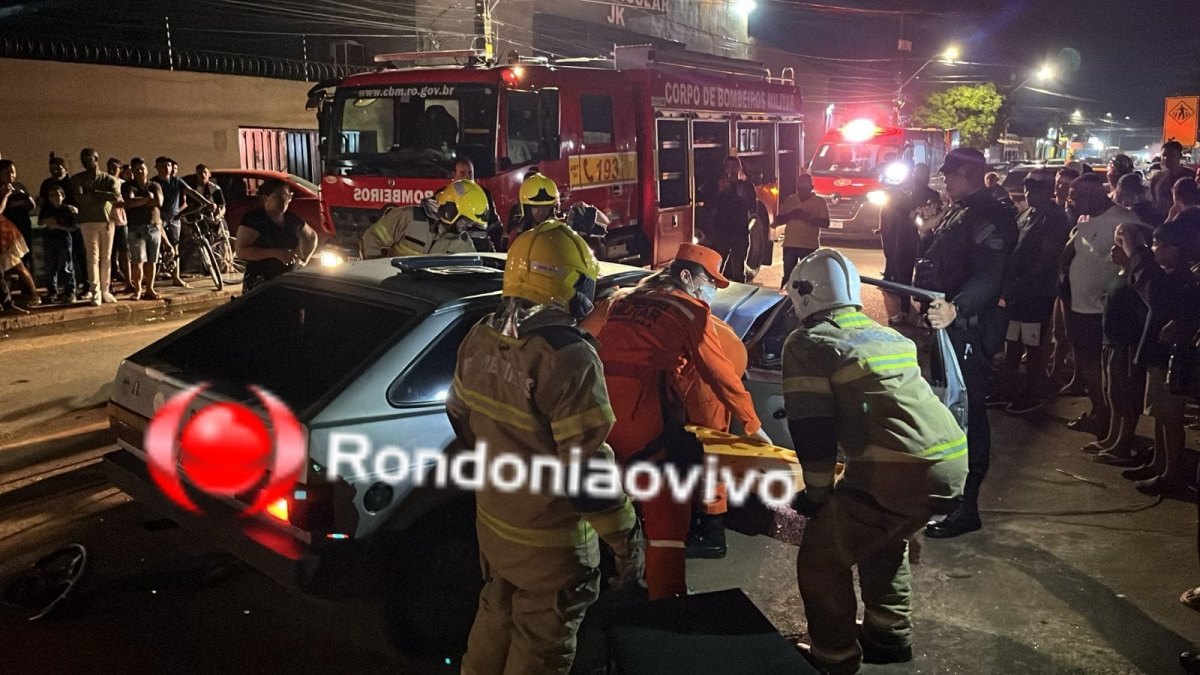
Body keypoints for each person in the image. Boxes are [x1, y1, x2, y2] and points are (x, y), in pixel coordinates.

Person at [446, 219, 644, 675]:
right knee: (540, 649)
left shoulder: (480, 337)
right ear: (571, 284)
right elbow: (586, 472)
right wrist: (626, 539)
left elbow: (459, 417)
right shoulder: (569, 356)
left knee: (495, 618)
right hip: (552, 547)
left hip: (495, 527)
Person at [784, 249, 967, 675]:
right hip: (950, 461)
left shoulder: (809, 343)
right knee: (884, 536)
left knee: (823, 555)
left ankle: (834, 656)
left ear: (802, 294)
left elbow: (812, 429)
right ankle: (888, 635)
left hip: (899, 471)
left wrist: (817, 494)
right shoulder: (889, 336)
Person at [596, 242, 771, 599]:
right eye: (710, 282)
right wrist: (753, 425)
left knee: (610, 509)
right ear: (687, 277)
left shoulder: (621, 301)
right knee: (667, 522)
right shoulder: (691, 312)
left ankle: (620, 584)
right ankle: (668, 603)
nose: (711, 291)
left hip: (600, 419)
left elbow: (583, 341)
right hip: (647, 424)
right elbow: (720, 374)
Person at [918, 147, 1017, 539]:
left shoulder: (990, 215)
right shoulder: (961, 209)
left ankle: (967, 505)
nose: (945, 180)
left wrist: (957, 308)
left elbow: (989, 276)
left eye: (951, 174)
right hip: (947, 325)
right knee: (948, 410)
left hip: (968, 328)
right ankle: (952, 492)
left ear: (969, 174)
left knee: (968, 414)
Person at [1117, 214, 1200, 494]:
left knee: (1170, 418)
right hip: (1158, 355)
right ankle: (1159, 463)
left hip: (1170, 357)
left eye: (1157, 245)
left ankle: (1171, 473)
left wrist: (1137, 253)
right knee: (1159, 414)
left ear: (1174, 248)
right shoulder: (1172, 274)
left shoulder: (1183, 278)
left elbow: (1156, 297)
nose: (1154, 250)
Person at [1061, 173, 1146, 437]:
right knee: (1087, 361)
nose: (1071, 202)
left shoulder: (1124, 220)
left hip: (1105, 308)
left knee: (1109, 370)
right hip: (1080, 305)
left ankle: (1113, 422)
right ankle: (1099, 410)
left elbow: (1136, 261)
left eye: (1076, 197)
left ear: (1094, 194)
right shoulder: (1085, 219)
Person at [989, 170, 1073, 414]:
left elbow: (1047, 259)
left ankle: (1031, 393)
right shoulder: (1028, 213)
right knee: (1013, 340)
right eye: (1027, 189)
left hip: (1036, 293)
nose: (1028, 193)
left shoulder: (1053, 217)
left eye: (1034, 189)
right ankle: (1007, 388)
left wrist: (1021, 281)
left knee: (1033, 344)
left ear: (1047, 191)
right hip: (1017, 291)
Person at [1084, 224, 1149, 466]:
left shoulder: (1136, 277)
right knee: (1112, 393)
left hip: (1125, 345)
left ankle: (1123, 443)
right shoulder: (1121, 274)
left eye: (1119, 244)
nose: (1113, 249)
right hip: (1111, 343)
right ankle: (1112, 437)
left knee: (1126, 396)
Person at [880, 163, 940, 324]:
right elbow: (891, 217)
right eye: (917, 173)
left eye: (923, 173)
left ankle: (923, 311)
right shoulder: (903, 195)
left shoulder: (933, 195)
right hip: (904, 241)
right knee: (903, 277)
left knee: (924, 278)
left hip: (925, 242)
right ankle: (904, 309)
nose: (920, 176)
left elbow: (932, 218)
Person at [234, 178, 318, 292]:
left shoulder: (292, 219)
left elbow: (312, 236)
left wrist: (304, 261)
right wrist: (276, 253)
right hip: (261, 282)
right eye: (278, 197)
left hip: (288, 281)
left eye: (288, 197)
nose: (284, 201)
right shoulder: (255, 219)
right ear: (265, 198)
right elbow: (241, 250)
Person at [70, 148, 120, 306]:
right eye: (83, 159)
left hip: (106, 221)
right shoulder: (77, 179)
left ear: (96, 159)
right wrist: (101, 195)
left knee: (106, 257)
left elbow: (115, 196)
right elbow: (80, 199)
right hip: (87, 221)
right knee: (92, 257)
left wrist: (93, 192)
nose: (85, 162)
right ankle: (95, 292)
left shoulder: (109, 179)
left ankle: (105, 290)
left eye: (89, 159)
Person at [1048, 167, 1083, 391]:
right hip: (1058, 275)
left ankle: (1078, 378)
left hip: (1071, 276)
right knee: (1059, 330)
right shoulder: (1054, 208)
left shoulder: (1075, 213)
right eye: (1058, 182)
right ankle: (1055, 370)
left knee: (1071, 331)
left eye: (1065, 184)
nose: (1059, 186)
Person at [698, 156, 757, 283]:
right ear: (724, 169)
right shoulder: (717, 185)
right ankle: (715, 290)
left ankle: (739, 291)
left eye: (735, 167)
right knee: (716, 269)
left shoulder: (747, 186)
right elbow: (708, 206)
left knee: (738, 270)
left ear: (740, 168)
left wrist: (743, 197)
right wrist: (719, 191)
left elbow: (753, 209)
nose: (732, 170)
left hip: (740, 233)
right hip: (721, 232)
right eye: (729, 167)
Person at [122, 158, 165, 300]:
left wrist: (140, 200)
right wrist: (147, 199)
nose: (140, 171)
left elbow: (159, 202)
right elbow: (129, 203)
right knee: (137, 261)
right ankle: (138, 290)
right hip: (135, 228)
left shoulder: (155, 185)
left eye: (142, 168)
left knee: (152, 260)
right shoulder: (128, 186)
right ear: (133, 172)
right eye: (136, 169)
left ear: (147, 170)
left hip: (154, 227)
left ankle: (150, 289)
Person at [777, 173, 830, 288]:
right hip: (790, 244)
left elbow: (826, 223)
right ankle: (785, 297)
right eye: (800, 185)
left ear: (811, 187)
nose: (802, 188)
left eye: (805, 186)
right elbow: (779, 220)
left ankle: (806, 298)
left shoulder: (819, 202)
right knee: (788, 277)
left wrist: (808, 218)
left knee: (808, 278)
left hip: (809, 246)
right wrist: (792, 215)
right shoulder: (791, 200)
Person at [0, 180, 40, 312]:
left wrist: (6, 195)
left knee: (18, 264)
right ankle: (6, 301)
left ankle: (34, 294)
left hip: (4, 233)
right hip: (4, 231)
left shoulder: (10, 188)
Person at [151, 156, 189, 288]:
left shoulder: (177, 181)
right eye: (163, 166)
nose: (166, 168)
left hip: (174, 219)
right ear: (156, 168)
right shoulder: (153, 183)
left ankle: (176, 277)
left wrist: (206, 203)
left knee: (175, 246)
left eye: (168, 165)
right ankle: (151, 279)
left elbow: (191, 192)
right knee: (156, 246)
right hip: (159, 218)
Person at [37, 185, 78, 304]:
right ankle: (52, 291)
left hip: (63, 238)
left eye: (57, 195)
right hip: (49, 238)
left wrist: (57, 225)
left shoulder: (67, 210)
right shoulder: (46, 209)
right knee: (50, 266)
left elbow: (74, 227)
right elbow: (40, 221)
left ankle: (70, 291)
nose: (55, 197)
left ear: (63, 196)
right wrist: (47, 222)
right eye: (51, 195)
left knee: (66, 265)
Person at [453, 157, 503, 249]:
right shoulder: (447, 196)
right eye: (462, 173)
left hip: (480, 250)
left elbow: (494, 227)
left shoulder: (484, 195)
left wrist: (497, 250)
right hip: (454, 251)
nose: (467, 177)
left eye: (470, 173)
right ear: (454, 175)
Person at [0, 160, 35, 269]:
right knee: (13, 258)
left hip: (24, 224)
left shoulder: (19, 186)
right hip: (9, 228)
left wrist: (25, 201)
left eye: (13, 172)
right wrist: (7, 196)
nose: (10, 175)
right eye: (6, 172)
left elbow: (31, 205)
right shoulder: (1, 189)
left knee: (26, 254)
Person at [507, 170, 560, 242]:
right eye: (535, 207)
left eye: (546, 207)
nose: (541, 212)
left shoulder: (562, 233)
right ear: (526, 209)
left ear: (553, 208)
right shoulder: (517, 235)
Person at [1150, 141, 1196, 220]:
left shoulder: (1191, 175)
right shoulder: (1157, 178)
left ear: (1179, 156)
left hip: (1186, 221)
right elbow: (1153, 201)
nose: (1166, 158)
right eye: (1164, 155)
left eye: (1171, 155)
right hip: (1161, 220)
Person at [106, 156, 132, 294]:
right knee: (109, 254)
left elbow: (127, 201)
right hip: (108, 221)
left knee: (124, 252)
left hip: (121, 221)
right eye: (109, 167)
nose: (111, 170)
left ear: (120, 169)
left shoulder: (123, 184)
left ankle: (129, 282)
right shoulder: (104, 182)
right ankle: (108, 283)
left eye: (114, 168)